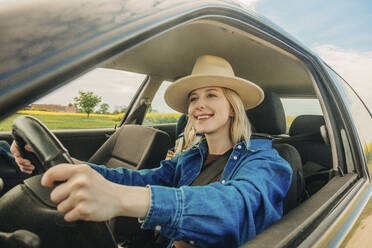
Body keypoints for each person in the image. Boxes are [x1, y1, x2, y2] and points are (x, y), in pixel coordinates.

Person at [11, 55, 292, 248]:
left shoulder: (267, 161)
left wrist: (121, 199)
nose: (198, 105)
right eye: (193, 98)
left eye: (211, 95)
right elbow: (137, 179)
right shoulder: (190, 158)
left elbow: (235, 207)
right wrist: (70, 166)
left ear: (232, 108)